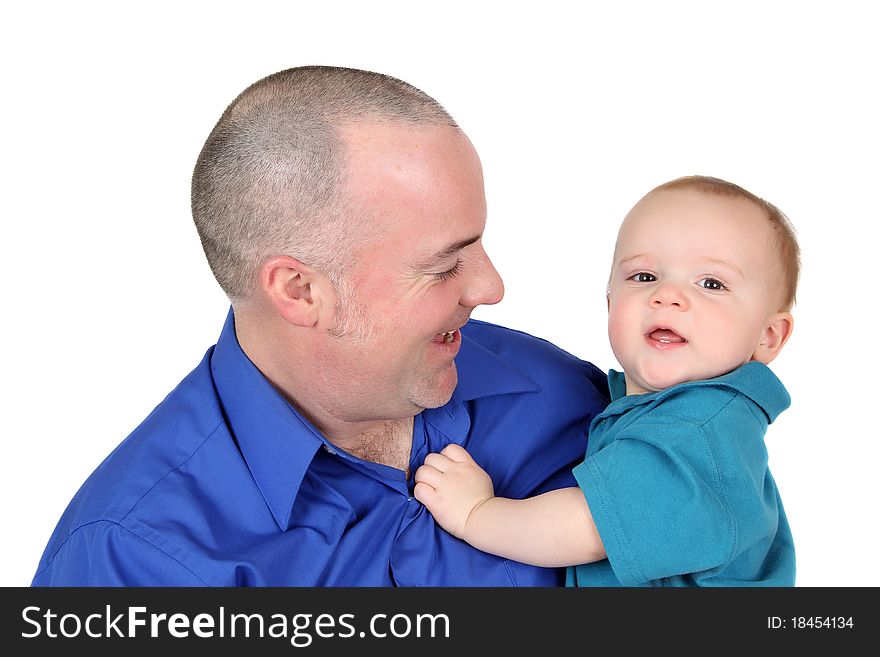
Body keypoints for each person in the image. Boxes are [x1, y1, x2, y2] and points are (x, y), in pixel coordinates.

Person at [31, 66, 609, 586]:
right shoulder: (134, 560)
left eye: (479, 244)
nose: (491, 288)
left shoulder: (562, 395)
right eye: (443, 266)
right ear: (300, 291)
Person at [414, 175, 799, 586]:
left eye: (711, 284)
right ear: (610, 301)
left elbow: (587, 528)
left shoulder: (695, 431)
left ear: (768, 336)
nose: (668, 296)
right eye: (645, 277)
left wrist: (477, 514)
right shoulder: (661, 411)